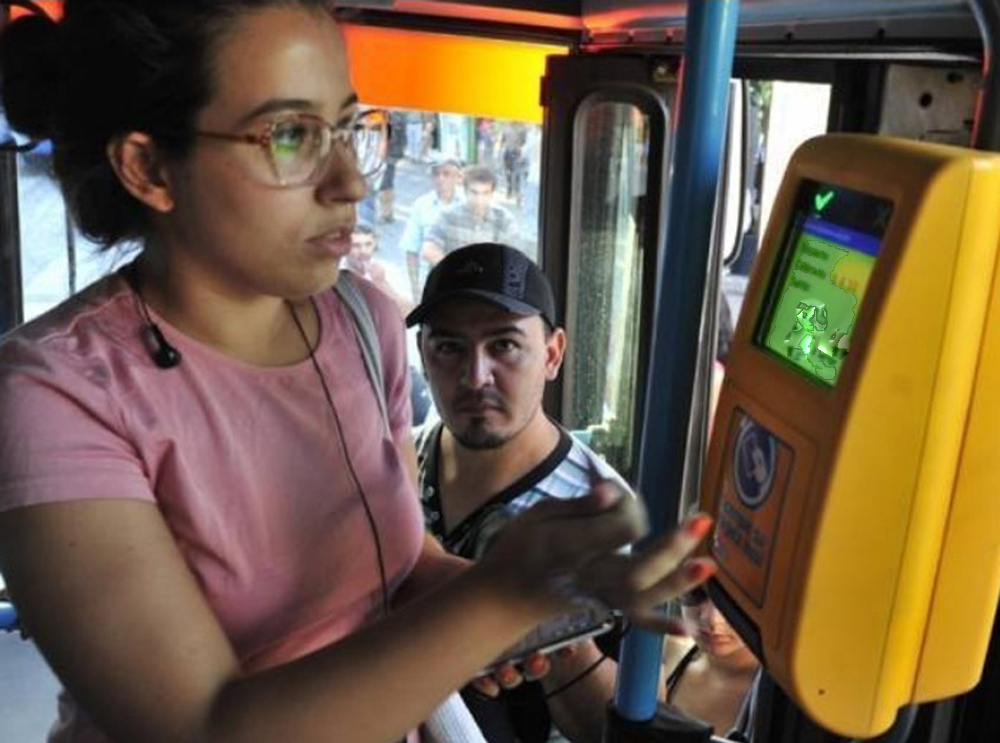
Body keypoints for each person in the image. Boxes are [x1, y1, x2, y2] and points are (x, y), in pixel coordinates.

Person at [0, 4, 716, 743]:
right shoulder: (57, 395)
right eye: (290, 136)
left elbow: (401, 569)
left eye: (346, 128)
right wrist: (499, 598)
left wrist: (562, 590)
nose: (349, 182)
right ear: (148, 167)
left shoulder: (359, 319)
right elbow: (208, 725)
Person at [406, 243, 637, 743]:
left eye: (504, 345)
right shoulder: (397, 465)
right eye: (449, 347)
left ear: (552, 354)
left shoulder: (599, 517)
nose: (475, 376)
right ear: (423, 355)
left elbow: (616, 727)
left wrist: (551, 629)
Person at [663, 586, 762, 741]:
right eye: (695, 592)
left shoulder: (783, 699)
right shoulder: (661, 661)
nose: (712, 619)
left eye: (733, 600)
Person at [399, 154, 464, 300]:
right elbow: (411, 250)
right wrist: (416, 290)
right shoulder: (421, 206)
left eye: (446, 174)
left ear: (458, 177)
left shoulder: (468, 203)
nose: (440, 179)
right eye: (436, 174)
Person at [422, 166, 515, 267]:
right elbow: (429, 250)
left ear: (492, 194)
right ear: (465, 191)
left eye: (485, 193)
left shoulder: (504, 220)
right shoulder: (448, 216)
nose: (479, 199)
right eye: (474, 192)